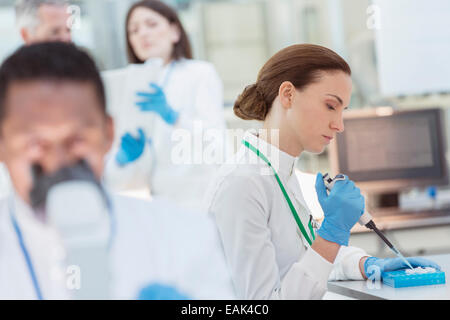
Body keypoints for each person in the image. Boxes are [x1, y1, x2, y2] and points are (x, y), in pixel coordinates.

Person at [204, 44, 441, 299]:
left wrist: (365, 265)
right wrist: (332, 232)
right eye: (330, 106)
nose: (339, 125)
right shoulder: (243, 184)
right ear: (288, 95)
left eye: (342, 111)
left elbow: (303, 258)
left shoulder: (279, 171)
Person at [0, 42, 234, 299]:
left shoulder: (185, 235)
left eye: (77, 139)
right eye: (36, 143)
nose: (58, 161)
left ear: (108, 133)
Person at [104, 0, 227, 211]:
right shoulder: (126, 86)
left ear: (174, 32)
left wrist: (174, 117)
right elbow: (118, 181)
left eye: (151, 24)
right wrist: (122, 160)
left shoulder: (200, 74)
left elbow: (219, 147)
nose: (142, 33)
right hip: (158, 205)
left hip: (202, 202)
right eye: (133, 30)